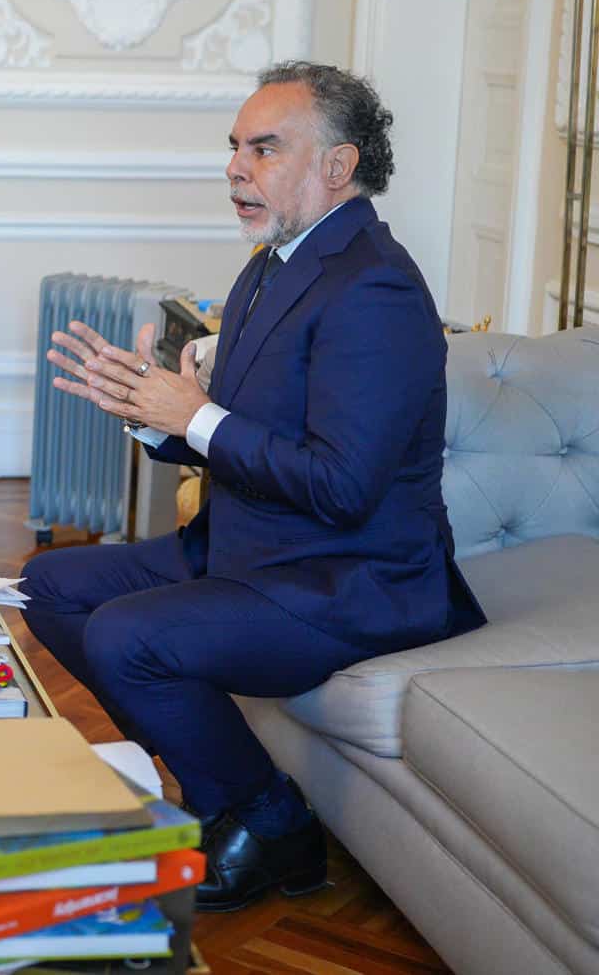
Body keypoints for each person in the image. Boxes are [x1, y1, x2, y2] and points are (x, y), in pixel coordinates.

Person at [27, 61, 486, 912]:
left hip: (350, 576)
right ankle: (225, 796)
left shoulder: (374, 287)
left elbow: (343, 485)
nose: (236, 168)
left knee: (128, 636)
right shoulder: (268, 266)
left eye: (265, 149)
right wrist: (150, 411)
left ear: (337, 167)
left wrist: (195, 414)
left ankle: (270, 823)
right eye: (235, 148)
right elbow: (237, 434)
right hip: (251, 548)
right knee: (47, 584)